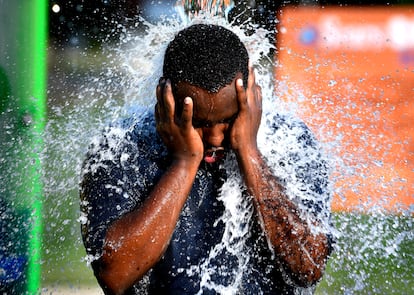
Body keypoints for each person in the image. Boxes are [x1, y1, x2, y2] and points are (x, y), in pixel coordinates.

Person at [80, 23, 334, 295]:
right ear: (165, 99)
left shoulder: (290, 142)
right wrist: (183, 163)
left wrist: (250, 153)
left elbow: (308, 267)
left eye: (227, 120)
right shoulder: (122, 147)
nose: (214, 138)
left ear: (252, 97)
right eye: (198, 122)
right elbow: (115, 275)